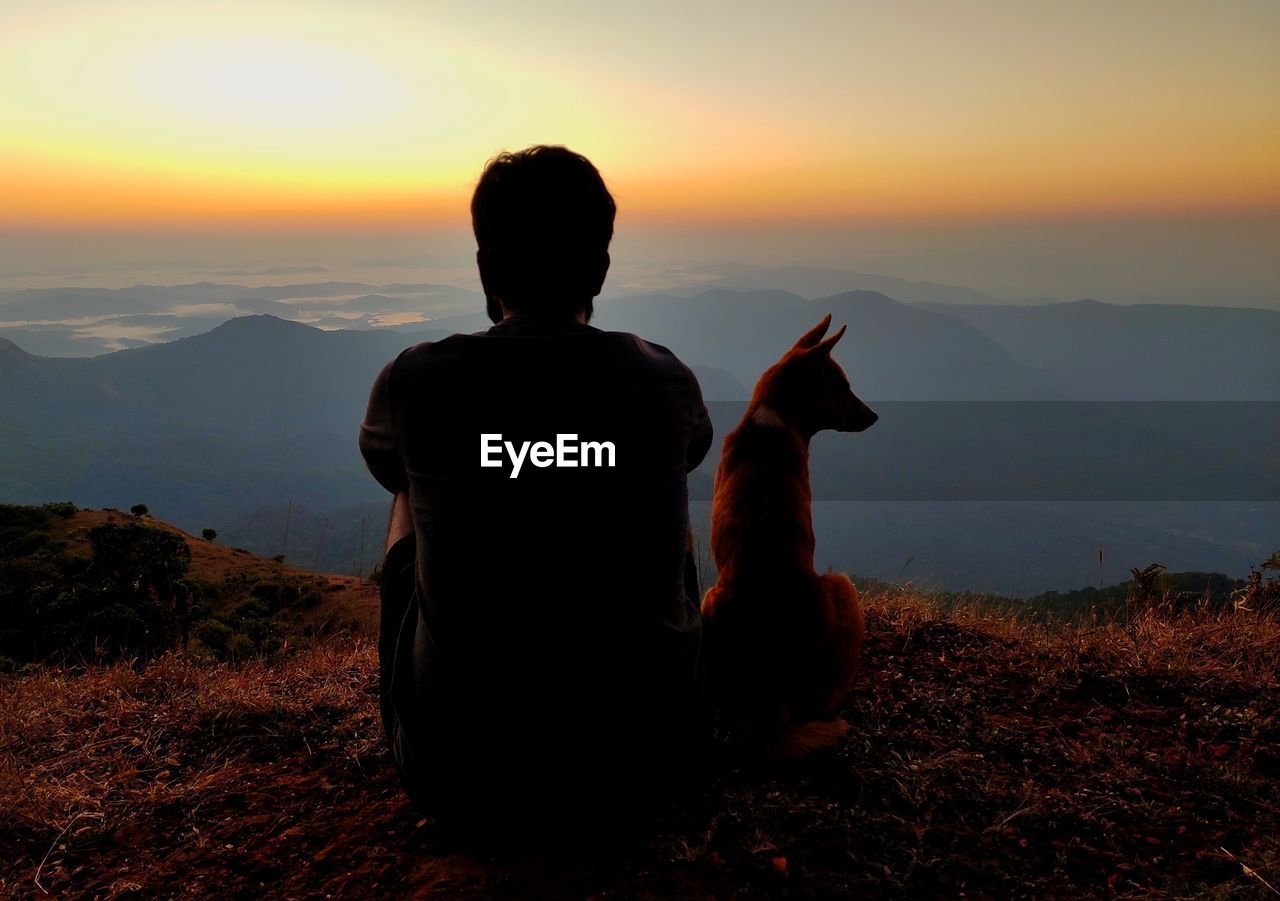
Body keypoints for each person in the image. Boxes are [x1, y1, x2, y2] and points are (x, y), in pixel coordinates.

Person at [359, 145, 713, 828]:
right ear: (602, 269)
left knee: (411, 489)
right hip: (652, 773)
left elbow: (388, 472)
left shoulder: (415, 381)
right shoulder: (665, 380)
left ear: (487, 268)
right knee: (662, 486)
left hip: (461, 782)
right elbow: (691, 453)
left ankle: (437, 693)